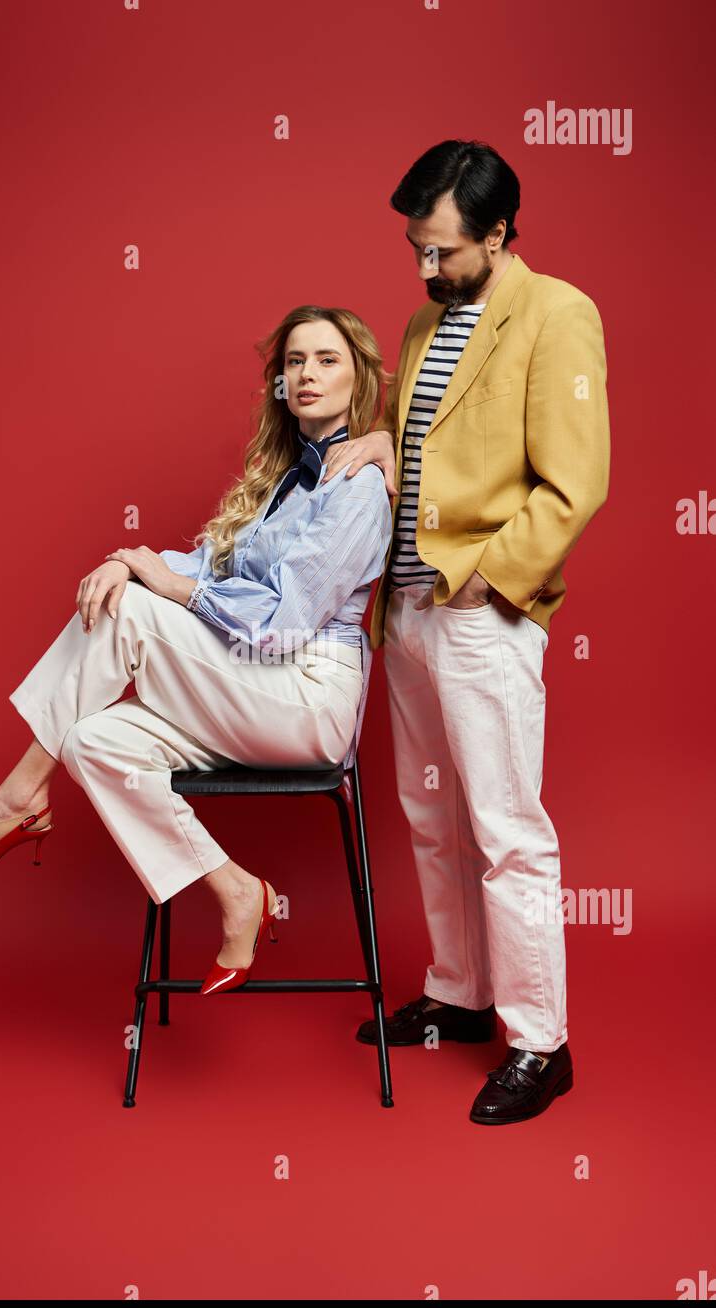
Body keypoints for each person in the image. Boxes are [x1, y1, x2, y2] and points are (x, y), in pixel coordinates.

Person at [0, 306, 393, 995]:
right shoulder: (284, 481)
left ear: (359, 379)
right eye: (295, 362)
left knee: (134, 609)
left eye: (327, 360)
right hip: (252, 690)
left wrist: (161, 586)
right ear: (280, 385)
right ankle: (237, 893)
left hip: (308, 699)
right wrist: (130, 560)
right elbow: (208, 565)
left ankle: (19, 793)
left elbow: (287, 621)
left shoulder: (355, 488)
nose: (308, 374)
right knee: (89, 740)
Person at [323, 140, 610, 1123]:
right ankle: (456, 991)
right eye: (414, 247)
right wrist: (378, 437)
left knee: (505, 831)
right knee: (429, 819)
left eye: (441, 251)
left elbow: (574, 480)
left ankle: (539, 1040)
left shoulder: (556, 315)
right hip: (403, 612)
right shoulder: (420, 321)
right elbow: (429, 438)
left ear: (495, 234)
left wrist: (490, 581)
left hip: (480, 615)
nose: (423, 269)